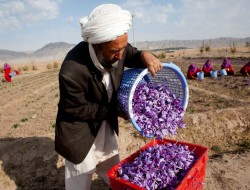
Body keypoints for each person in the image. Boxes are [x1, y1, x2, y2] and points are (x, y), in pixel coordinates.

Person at [54, 4, 162, 190]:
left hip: (104, 124)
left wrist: (145, 55)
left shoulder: (117, 47)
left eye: (122, 48)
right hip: (79, 131)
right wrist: (114, 110)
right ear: (96, 46)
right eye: (114, 52)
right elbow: (76, 109)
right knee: (80, 178)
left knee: (113, 171)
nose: (120, 56)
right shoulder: (72, 70)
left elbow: (132, 54)